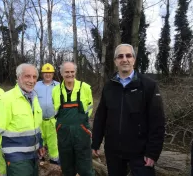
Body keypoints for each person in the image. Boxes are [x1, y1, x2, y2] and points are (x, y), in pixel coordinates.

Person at [92, 44, 165, 176]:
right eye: (120, 56)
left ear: (134, 60)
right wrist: (95, 142)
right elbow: (101, 116)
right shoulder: (109, 86)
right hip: (113, 151)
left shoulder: (148, 86)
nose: (124, 59)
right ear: (115, 61)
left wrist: (153, 152)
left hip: (140, 152)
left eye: (128, 56)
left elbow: (157, 122)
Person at [0, 63, 45, 176]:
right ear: (18, 77)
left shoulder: (33, 97)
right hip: (17, 160)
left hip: (34, 157)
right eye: (27, 76)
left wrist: (39, 144)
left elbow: (35, 126)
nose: (32, 80)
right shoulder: (6, 100)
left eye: (34, 77)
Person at [52, 61, 95, 176]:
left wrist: (82, 124)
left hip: (81, 132)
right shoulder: (56, 90)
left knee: (85, 167)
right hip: (63, 134)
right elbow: (55, 111)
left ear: (75, 72)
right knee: (67, 168)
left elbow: (89, 109)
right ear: (61, 73)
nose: (69, 74)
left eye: (72, 72)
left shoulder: (85, 87)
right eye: (67, 72)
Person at [34, 63, 60, 165]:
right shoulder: (36, 85)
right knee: (39, 141)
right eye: (45, 73)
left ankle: (54, 162)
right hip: (39, 120)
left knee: (53, 143)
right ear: (42, 74)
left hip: (53, 120)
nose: (47, 75)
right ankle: (41, 161)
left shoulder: (58, 86)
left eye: (50, 73)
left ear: (53, 74)